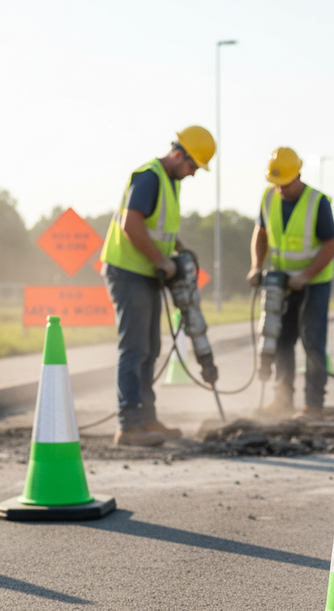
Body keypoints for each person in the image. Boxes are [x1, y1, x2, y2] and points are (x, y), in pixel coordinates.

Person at [100, 126, 215, 446]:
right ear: (179, 155)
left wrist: (178, 248)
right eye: (192, 166)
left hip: (147, 274)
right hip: (129, 272)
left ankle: (147, 418)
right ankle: (129, 424)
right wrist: (162, 261)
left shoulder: (169, 181)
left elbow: (158, 225)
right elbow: (131, 224)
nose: (193, 174)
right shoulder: (149, 177)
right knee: (134, 348)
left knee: (150, 348)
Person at [247, 147, 334, 419]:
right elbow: (260, 234)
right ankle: (282, 399)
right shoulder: (269, 198)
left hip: (314, 285)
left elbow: (332, 246)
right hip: (283, 284)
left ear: (298, 176)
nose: (279, 190)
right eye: (275, 184)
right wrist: (256, 266)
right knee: (282, 341)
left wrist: (306, 276)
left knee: (312, 342)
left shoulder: (317, 202)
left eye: (284, 184)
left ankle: (313, 404)